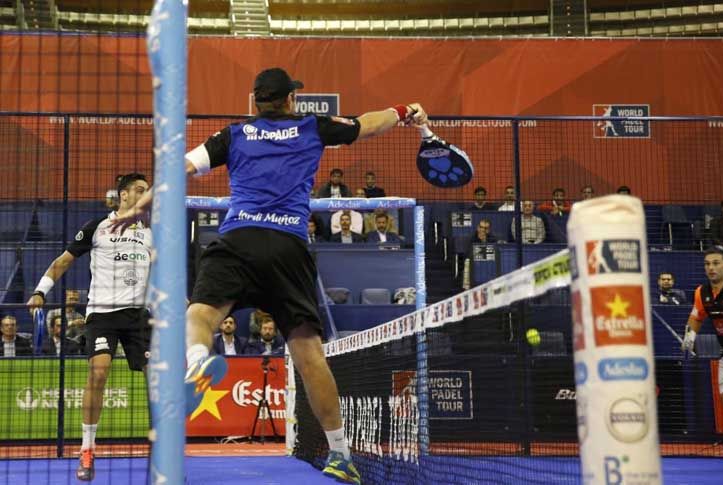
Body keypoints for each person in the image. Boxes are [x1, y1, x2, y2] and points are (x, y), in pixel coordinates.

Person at [113, 67, 428, 484]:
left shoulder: (235, 134)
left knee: (202, 313)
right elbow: (367, 125)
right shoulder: (311, 127)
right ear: (290, 100)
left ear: (255, 102)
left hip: (237, 236)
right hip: (287, 245)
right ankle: (340, 456)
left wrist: (143, 201)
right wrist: (404, 110)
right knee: (309, 354)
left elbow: (180, 167)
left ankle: (196, 361)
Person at [27, 173, 152, 481]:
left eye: (147, 191)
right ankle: (87, 449)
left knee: (158, 382)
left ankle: (163, 451)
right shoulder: (97, 227)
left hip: (139, 316)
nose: (144, 195)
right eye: (139, 190)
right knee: (98, 372)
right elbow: (63, 261)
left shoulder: (151, 233)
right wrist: (40, 291)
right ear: (123, 195)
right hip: (103, 314)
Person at [681, 246, 723, 467]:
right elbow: (696, 317)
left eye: (716, 263)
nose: (711, 268)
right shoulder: (702, 293)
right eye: (707, 264)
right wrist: (689, 338)